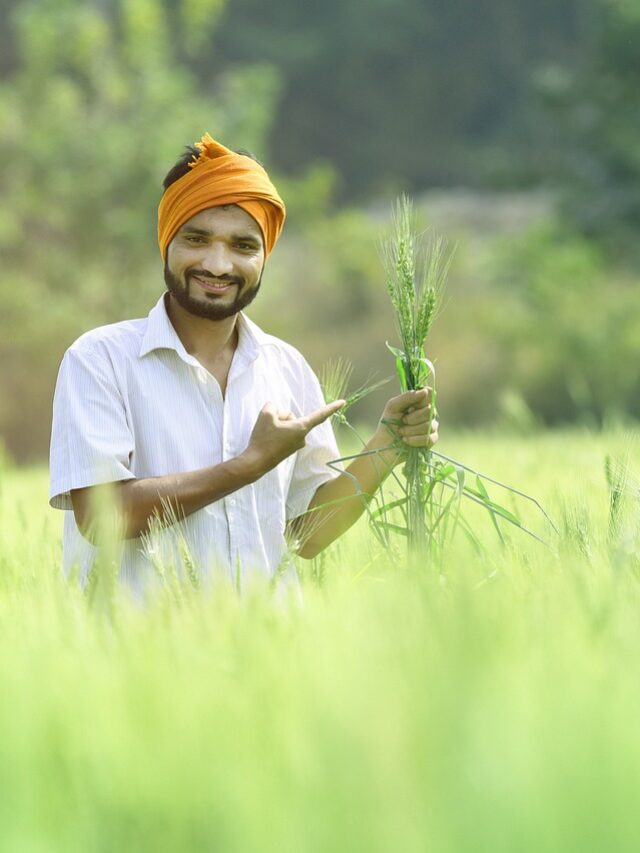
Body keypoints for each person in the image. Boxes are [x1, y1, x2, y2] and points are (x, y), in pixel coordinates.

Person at [49, 133, 438, 596]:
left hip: (264, 655)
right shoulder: (100, 360)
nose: (218, 264)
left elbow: (307, 533)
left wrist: (387, 446)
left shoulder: (286, 367)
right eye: (196, 239)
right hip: (140, 657)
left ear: (264, 256)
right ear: (166, 242)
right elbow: (102, 516)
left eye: (243, 246)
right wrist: (249, 464)